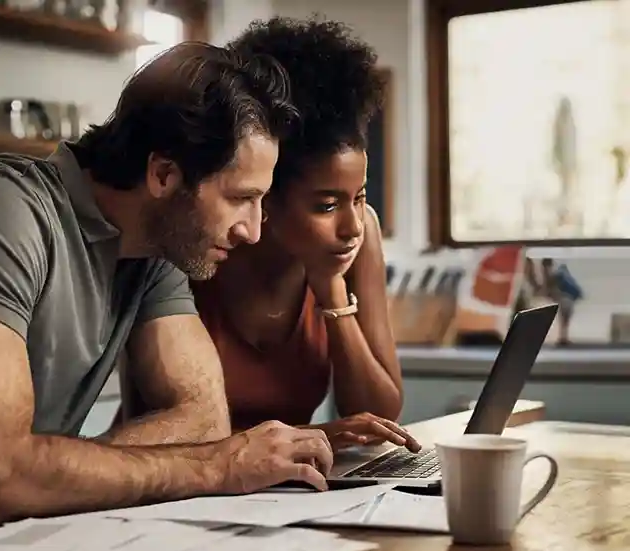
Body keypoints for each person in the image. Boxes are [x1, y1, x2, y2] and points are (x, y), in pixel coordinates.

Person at [0, 42, 335, 548]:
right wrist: (214, 469)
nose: (251, 230)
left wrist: (53, 474)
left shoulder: (157, 249)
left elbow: (203, 421)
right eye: (240, 198)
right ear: (163, 175)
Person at [125, 18, 420, 453]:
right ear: (265, 195)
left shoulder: (357, 240)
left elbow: (380, 413)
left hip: (280, 493)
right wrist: (305, 438)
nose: (352, 226)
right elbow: (155, 427)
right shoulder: (195, 245)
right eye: (325, 205)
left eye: (357, 197)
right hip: (172, 488)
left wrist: (331, 293)